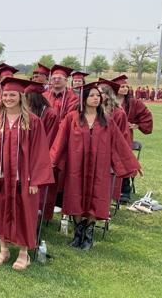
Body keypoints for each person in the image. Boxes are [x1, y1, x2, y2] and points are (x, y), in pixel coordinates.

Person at [50, 83, 142, 251]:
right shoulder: (72, 118)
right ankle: (78, 235)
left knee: (96, 197)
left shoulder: (107, 120)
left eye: (98, 96)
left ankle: (88, 236)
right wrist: (50, 162)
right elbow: (59, 142)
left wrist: (132, 164)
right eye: (92, 95)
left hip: (99, 167)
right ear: (83, 98)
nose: (95, 98)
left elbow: (119, 144)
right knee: (75, 196)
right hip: (76, 167)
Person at [0, 77, 54, 271]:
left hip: (25, 178)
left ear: (21, 97)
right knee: (0, 210)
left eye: (12, 95)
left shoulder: (33, 121)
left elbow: (40, 151)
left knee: (25, 213)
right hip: (0, 175)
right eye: (5, 95)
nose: (8, 98)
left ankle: (24, 253)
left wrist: (36, 180)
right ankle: (3, 249)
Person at [111, 74, 153, 203]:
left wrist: (137, 125)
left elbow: (146, 115)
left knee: (123, 161)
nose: (124, 89)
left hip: (125, 136)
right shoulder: (108, 101)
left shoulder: (133, 103)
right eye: (121, 86)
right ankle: (110, 190)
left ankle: (124, 191)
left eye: (126, 86)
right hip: (108, 136)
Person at [24, 80, 59, 222]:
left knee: (41, 190)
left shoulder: (50, 114)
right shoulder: (25, 113)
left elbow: (51, 138)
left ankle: (38, 217)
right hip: (25, 156)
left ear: (31, 98)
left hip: (42, 158)